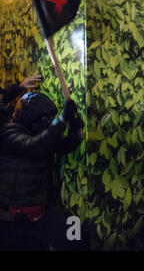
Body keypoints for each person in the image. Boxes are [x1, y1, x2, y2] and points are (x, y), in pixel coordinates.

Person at [0, 92, 84, 250]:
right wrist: (61, 120)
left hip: (39, 214)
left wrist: (75, 128)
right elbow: (35, 147)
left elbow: (66, 145)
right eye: (45, 119)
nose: (48, 122)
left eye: (51, 118)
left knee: (77, 238)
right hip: (11, 219)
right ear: (30, 118)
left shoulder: (41, 136)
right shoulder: (8, 134)